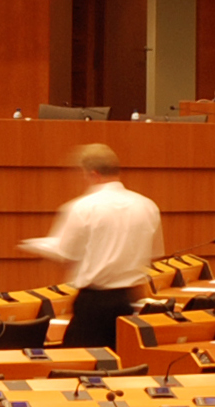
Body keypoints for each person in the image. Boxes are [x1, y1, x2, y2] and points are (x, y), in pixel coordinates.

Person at [22, 144, 162, 354]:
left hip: (94, 304)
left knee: (78, 365)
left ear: (92, 173)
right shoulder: (146, 205)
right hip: (129, 300)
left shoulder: (83, 207)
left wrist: (35, 245)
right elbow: (154, 253)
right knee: (121, 365)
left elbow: (66, 252)